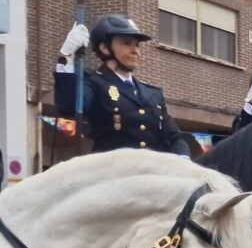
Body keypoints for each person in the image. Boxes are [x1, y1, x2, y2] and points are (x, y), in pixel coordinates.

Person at [54, 15, 190, 156]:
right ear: (105, 48)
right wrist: (67, 56)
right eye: (126, 43)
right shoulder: (94, 83)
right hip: (112, 167)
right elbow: (69, 106)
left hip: (151, 167)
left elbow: (173, 137)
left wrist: (183, 158)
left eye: (137, 45)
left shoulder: (153, 93)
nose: (135, 51)